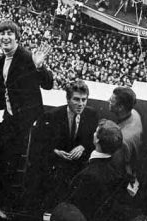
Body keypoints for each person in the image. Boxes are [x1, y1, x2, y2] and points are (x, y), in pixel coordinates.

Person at [0, 20, 53, 200]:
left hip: (26, 121)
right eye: (2, 33)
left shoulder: (27, 57)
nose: (5, 37)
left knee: (20, 161)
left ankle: (14, 199)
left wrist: (40, 66)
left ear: (17, 37)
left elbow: (48, 84)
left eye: (9, 33)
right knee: (5, 156)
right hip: (10, 116)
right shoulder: (3, 58)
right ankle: (5, 194)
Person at [32, 80, 98, 211]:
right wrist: (55, 151)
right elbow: (38, 144)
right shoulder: (51, 116)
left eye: (84, 100)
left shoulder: (92, 115)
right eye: (76, 99)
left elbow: (93, 139)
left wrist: (83, 146)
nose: (81, 104)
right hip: (56, 169)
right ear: (67, 99)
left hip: (78, 170)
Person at [62, 119, 126, 220]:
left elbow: (73, 208)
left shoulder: (88, 176)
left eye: (96, 131)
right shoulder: (116, 166)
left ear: (97, 140)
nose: (94, 133)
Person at [109, 87, 143, 188]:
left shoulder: (121, 139)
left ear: (120, 108)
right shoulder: (134, 114)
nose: (108, 101)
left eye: (111, 101)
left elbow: (115, 167)